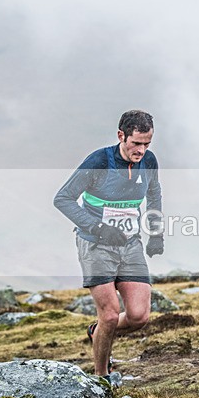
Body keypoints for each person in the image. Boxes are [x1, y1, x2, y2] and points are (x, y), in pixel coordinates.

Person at [54, 109, 164, 381]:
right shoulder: (99, 161)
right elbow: (63, 198)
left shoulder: (148, 161)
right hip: (95, 244)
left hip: (130, 244)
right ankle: (102, 377)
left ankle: (97, 331)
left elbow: (154, 193)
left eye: (147, 143)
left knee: (139, 316)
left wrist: (157, 233)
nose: (141, 150)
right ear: (121, 136)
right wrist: (98, 228)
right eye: (136, 143)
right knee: (111, 316)